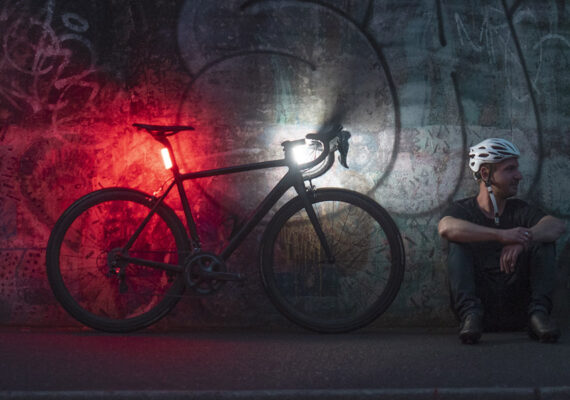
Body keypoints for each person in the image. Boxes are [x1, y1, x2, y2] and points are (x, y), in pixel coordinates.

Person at [438, 138, 566, 344]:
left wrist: (524, 238)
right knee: (457, 241)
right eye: (510, 169)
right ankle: (470, 314)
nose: (519, 175)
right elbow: (446, 227)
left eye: (517, 168)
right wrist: (502, 235)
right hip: (479, 317)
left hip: (521, 313)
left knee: (543, 240)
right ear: (485, 174)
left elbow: (556, 226)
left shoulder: (519, 210)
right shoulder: (463, 210)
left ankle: (540, 314)